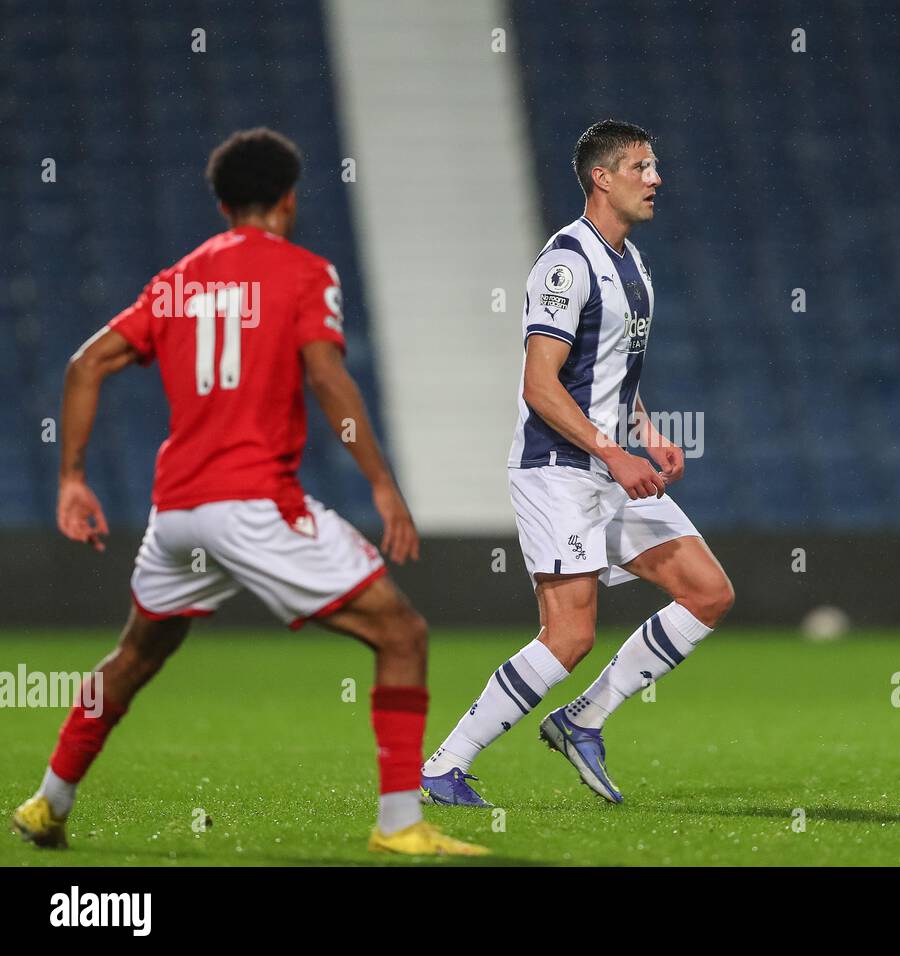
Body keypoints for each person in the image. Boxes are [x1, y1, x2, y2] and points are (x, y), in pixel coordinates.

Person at [10, 128, 485, 857]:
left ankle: (48, 802)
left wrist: (71, 478)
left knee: (133, 658)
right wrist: (384, 487)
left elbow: (83, 366)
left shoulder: (173, 282)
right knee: (402, 634)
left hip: (175, 515)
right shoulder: (303, 273)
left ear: (225, 203)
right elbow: (327, 377)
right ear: (289, 200)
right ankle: (400, 825)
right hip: (254, 505)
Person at [420, 120, 734, 807]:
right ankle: (444, 765)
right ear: (603, 177)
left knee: (707, 592)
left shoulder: (633, 264)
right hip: (558, 469)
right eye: (643, 167)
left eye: (655, 167)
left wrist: (646, 430)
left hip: (611, 463)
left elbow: (613, 368)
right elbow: (539, 383)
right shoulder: (567, 262)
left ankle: (583, 719)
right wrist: (614, 450)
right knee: (570, 635)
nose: (657, 179)